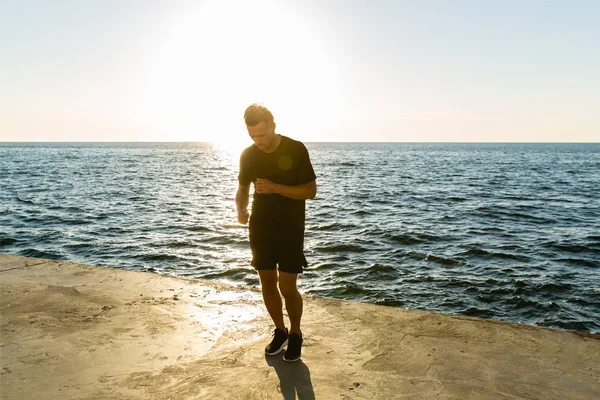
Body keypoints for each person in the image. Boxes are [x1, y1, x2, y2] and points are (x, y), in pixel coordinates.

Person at [236, 104, 317, 362]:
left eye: (261, 134)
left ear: (273, 124)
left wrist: (274, 187)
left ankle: (295, 333)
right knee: (267, 283)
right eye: (252, 136)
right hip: (260, 227)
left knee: (287, 286)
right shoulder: (248, 155)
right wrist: (241, 208)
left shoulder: (295, 149)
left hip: (290, 227)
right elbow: (242, 188)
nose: (257, 141)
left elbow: (310, 191)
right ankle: (280, 331)